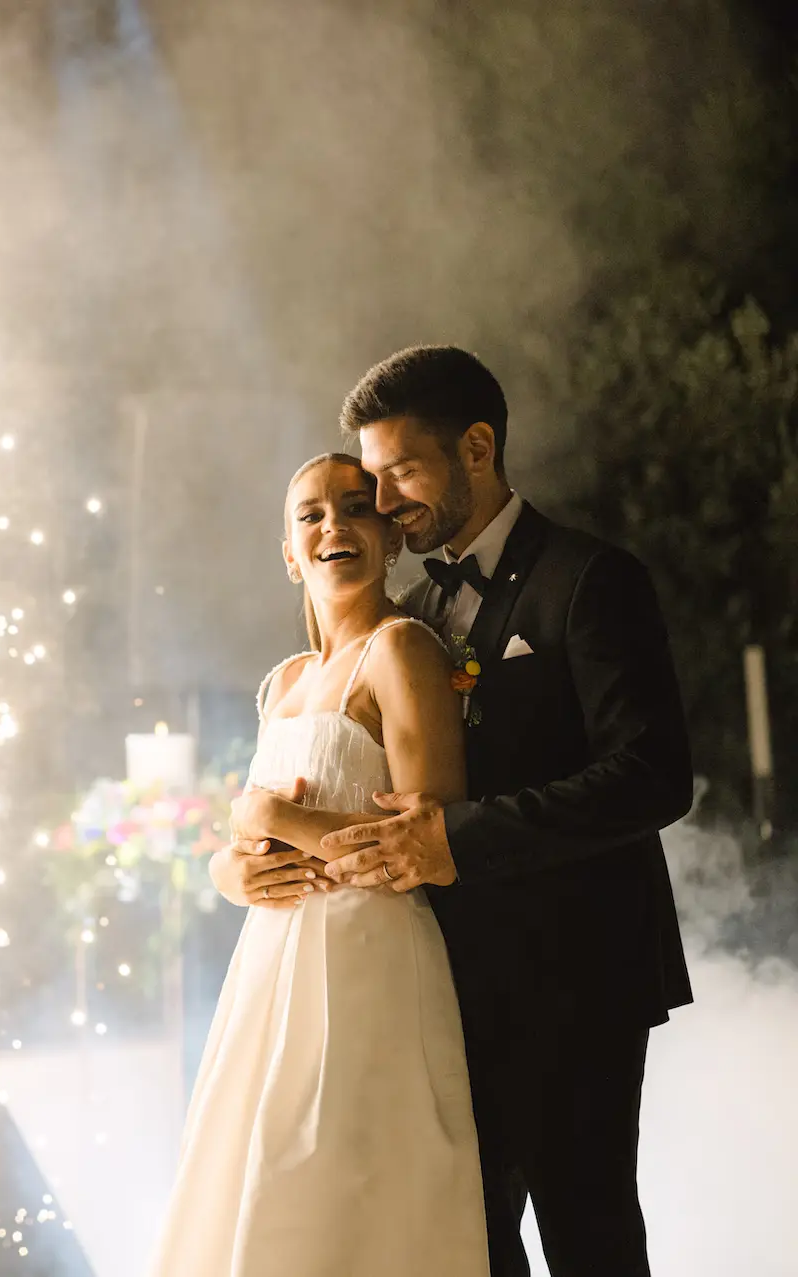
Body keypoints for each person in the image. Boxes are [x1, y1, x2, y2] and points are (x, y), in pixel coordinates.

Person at [311, 345, 693, 1277]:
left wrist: (454, 837)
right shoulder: (411, 606)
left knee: (587, 1233)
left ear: (477, 447)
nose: (386, 500)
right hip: (448, 982)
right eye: (375, 476)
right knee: (463, 1237)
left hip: (579, 973)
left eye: (401, 470)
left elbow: (654, 774)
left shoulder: (591, 579)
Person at [150, 452, 488, 1277]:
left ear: (388, 537)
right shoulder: (285, 682)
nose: (334, 524)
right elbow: (254, 841)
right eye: (311, 514)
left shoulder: (400, 649)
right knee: (260, 1194)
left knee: (352, 1194)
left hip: (367, 964)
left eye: (356, 507)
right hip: (271, 971)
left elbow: (430, 844)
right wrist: (230, 867)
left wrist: (276, 817)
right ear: (289, 551)